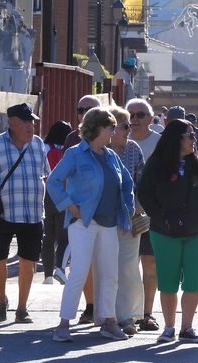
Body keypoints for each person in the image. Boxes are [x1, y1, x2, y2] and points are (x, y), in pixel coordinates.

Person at [48, 108, 134, 342]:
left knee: (110, 274)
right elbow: (54, 181)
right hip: (83, 223)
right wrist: (69, 205)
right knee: (78, 272)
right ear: (98, 128)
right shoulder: (75, 154)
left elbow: (127, 183)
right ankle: (63, 324)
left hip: (109, 223)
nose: (114, 132)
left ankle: (109, 322)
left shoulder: (111, 156)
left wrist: (126, 212)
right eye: (111, 127)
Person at [138, 119, 198, 344]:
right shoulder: (156, 164)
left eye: (194, 135)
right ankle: (169, 328)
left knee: (193, 282)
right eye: (190, 135)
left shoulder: (197, 164)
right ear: (176, 139)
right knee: (168, 282)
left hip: (195, 233)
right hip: (164, 233)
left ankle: (187, 328)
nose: (194, 139)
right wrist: (161, 218)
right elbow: (144, 193)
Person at [0, 103, 50, 324]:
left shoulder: (38, 145)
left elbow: (45, 174)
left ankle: (22, 309)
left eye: (32, 121)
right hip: (4, 212)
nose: (31, 126)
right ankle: (1, 298)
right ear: (12, 123)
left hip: (32, 213)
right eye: (26, 121)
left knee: (28, 260)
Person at [62, 94, 102, 324]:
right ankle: (89, 307)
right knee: (81, 265)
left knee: (106, 265)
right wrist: (70, 206)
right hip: (81, 214)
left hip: (106, 214)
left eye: (90, 110)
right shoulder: (72, 140)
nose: (85, 114)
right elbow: (60, 178)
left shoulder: (111, 135)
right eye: (81, 110)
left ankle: (111, 313)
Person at [108, 105, 146, 336]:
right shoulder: (98, 150)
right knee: (107, 268)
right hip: (104, 218)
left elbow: (142, 181)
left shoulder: (134, 149)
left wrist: (138, 208)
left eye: (129, 125)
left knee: (128, 267)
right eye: (125, 126)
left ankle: (127, 316)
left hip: (130, 217)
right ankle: (108, 315)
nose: (129, 130)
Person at [126, 98, 161, 331]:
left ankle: (147, 314)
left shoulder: (160, 143)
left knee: (150, 264)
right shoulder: (118, 140)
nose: (134, 119)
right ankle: (129, 313)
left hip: (151, 213)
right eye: (130, 115)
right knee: (128, 266)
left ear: (150, 118)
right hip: (124, 213)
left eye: (140, 115)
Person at [41, 120, 73, 285]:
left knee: (48, 237)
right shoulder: (68, 151)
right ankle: (59, 268)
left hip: (46, 194)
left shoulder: (44, 148)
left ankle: (47, 276)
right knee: (63, 237)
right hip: (62, 194)